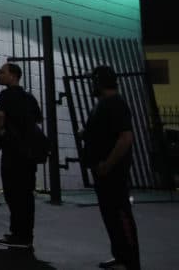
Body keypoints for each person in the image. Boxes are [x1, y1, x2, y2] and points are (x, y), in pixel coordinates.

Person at [82, 66, 140, 270]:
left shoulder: (115, 103)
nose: (91, 85)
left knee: (121, 215)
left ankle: (130, 262)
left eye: (93, 81)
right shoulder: (103, 104)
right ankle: (121, 256)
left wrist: (107, 164)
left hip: (113, 172)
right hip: (102, 172)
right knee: (111, 217)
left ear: (100, 82)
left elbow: (125, 138)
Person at [0, 62, 42, 250]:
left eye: (2, 72)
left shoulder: (5, 95)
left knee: (12, 193)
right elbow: (38, 119)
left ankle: (19, 235)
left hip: (12, 152)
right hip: (28, 153)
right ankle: (24, 234)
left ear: (13, 75)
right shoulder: (29, 97)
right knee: (26, 194)